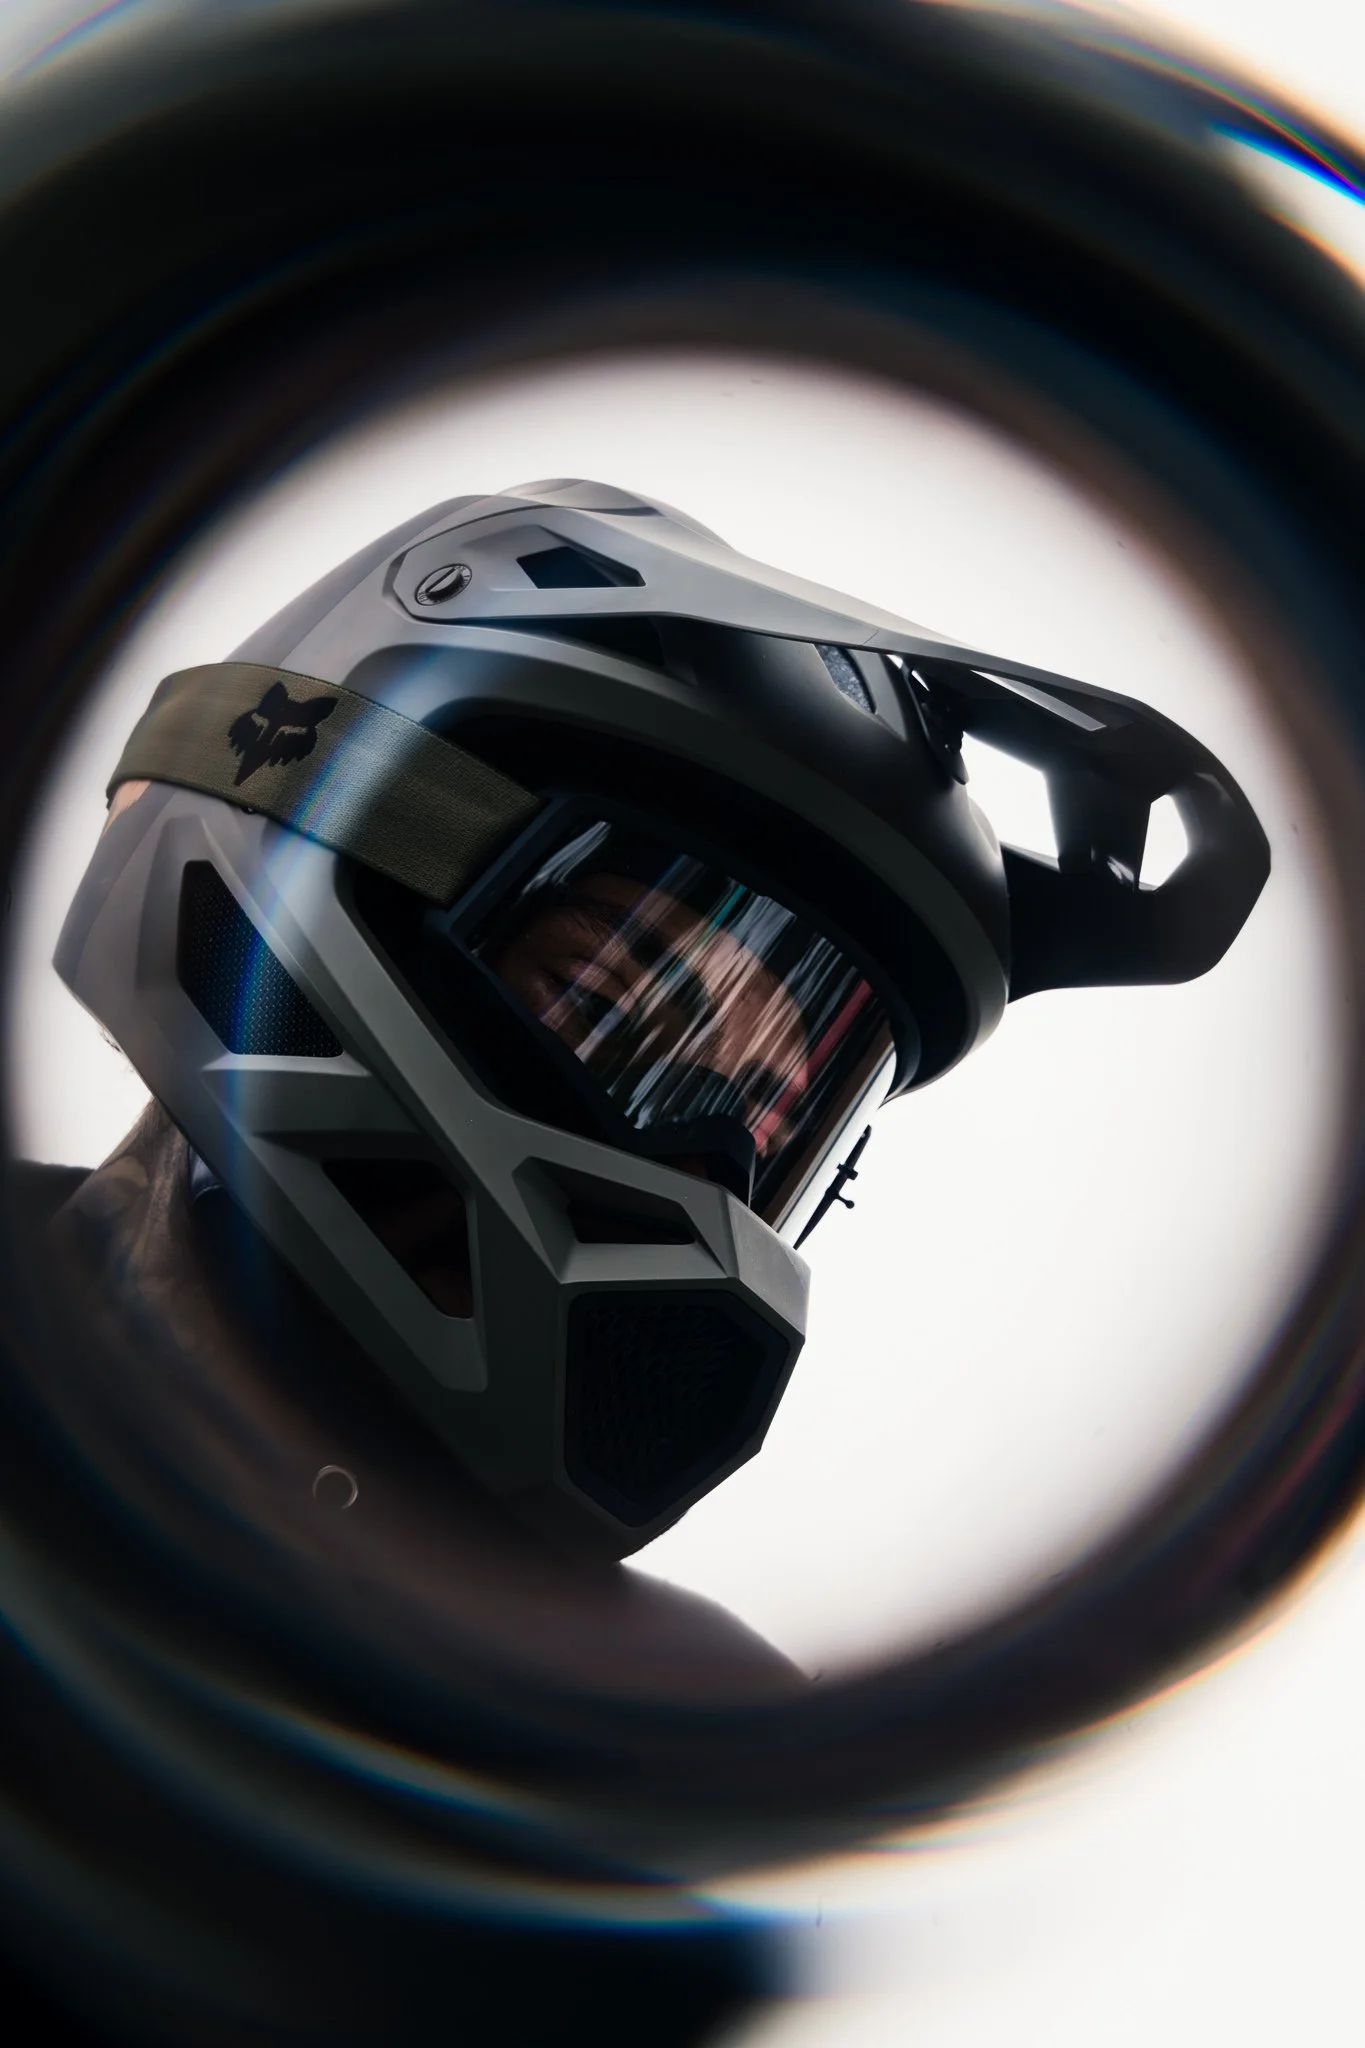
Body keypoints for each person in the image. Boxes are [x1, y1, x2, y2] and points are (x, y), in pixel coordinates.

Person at [43, 476, 1271, 1690]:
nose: (702, 1167)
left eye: (782, 1126)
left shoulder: (663, 1732)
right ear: (337, 847)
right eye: (613, 1009)